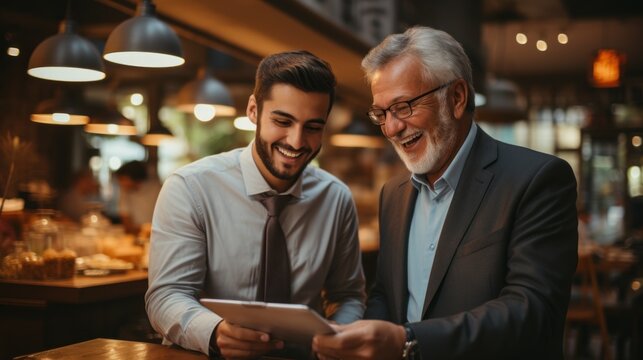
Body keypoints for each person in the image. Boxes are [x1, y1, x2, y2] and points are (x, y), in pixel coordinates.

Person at [313, 26, 578, 360]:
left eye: (404, 106)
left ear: (456, 98)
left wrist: (407, 340)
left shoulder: (538, 179)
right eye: (381, 113)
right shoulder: (393, 193)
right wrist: (355, 338)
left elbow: (532, 311)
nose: (392, 128)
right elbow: (387, 295)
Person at [146, 50, 366, 358]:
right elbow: (167, 295)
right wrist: (214, 332)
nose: (296, 141)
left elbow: (347, 295)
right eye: (282, 121)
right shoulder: (191, 188)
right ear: (253, 110)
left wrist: (338, 335)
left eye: (313, 127)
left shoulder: (336, 198)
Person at [114, 160, 161, 235]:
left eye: (123, 179)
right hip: (134, 234)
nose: (121, 183)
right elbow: (125, 216)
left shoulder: (156, 188)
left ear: (136, 179)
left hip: (155, 233)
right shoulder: (125, 191)